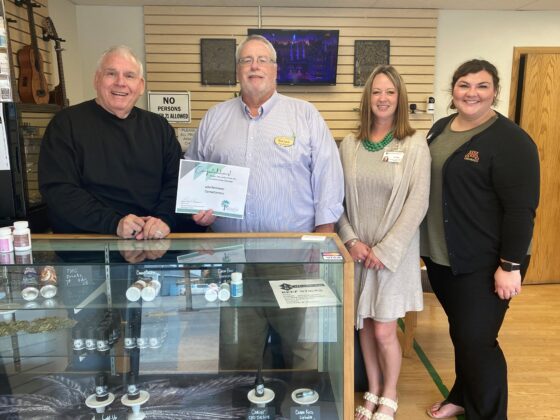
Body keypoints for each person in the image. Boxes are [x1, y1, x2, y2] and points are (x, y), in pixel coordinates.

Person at [186, 35, 344, 370]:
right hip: (232, 258)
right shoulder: (214, 118)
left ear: (275, 69)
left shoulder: (304, 115)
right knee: (238, 351)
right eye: (246, 60)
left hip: (292, 256)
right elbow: (194, 176)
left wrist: (323, 238)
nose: (254, 66)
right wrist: (197, 212)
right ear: (237, 70)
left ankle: (299, 399)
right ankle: (244, 397)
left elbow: (328, 177)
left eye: (262, 60)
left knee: (301, 347)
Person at [420, 59, 540, 420]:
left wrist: (510, 265)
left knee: (478, 341)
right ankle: (462, 396)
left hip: (488, 262)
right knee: (463, 334)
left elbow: (521, 210)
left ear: (495, 92)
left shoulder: (512, 141)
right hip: (442, 257)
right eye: (464, 85)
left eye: (482, 86)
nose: (472, 93)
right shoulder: (440, 129)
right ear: (453, 90)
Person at [338, 65, 430, 420]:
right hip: (360, 254)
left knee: (384, 329)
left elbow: (418, 202)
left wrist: (386, 250)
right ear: (367, 98)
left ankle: (390, 392)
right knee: (364, 324)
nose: (383, 98)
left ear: (400, 98)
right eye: (376, 91)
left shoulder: (414, 144)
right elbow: (336, 201)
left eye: (390, 92)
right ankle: (373, 389)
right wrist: (351, 240)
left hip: (393, 257)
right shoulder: (350, 144)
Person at [39, 45, 187, 240]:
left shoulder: (159, 127)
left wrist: (163, 219)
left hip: (153, 243)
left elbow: (177, 182)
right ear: (96, 79)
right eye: (111, 74)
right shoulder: (66, 124)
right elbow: (59, 190)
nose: (120, 82)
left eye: (129, 76)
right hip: (90, 247)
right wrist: (114, 224)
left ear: (141, 85)